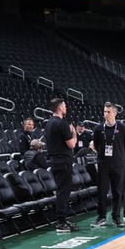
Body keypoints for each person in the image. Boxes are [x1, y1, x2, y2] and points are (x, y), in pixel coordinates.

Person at [92, 102, 125, 228]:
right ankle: (101, 217)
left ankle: (116, 217)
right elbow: (97, 146)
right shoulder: (98, 129)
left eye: (108, 112)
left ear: (115, 113)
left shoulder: (122, 127)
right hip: (103, 165)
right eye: (104, 111)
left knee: (117, 192)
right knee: (102, 192)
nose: (106, 114)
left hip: (118, 165)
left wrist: (119, 157)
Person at [43, 98, 79, 233]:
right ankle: (61, 221)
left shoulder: (48, 123)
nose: (66, 107)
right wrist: (74, 133)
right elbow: (72, 144)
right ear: (59, 108)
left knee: (61, 191)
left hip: (54, 161)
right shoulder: (62, 123)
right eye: (64, 105)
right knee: (63, 192)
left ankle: (62, 219)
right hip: (63, 161)